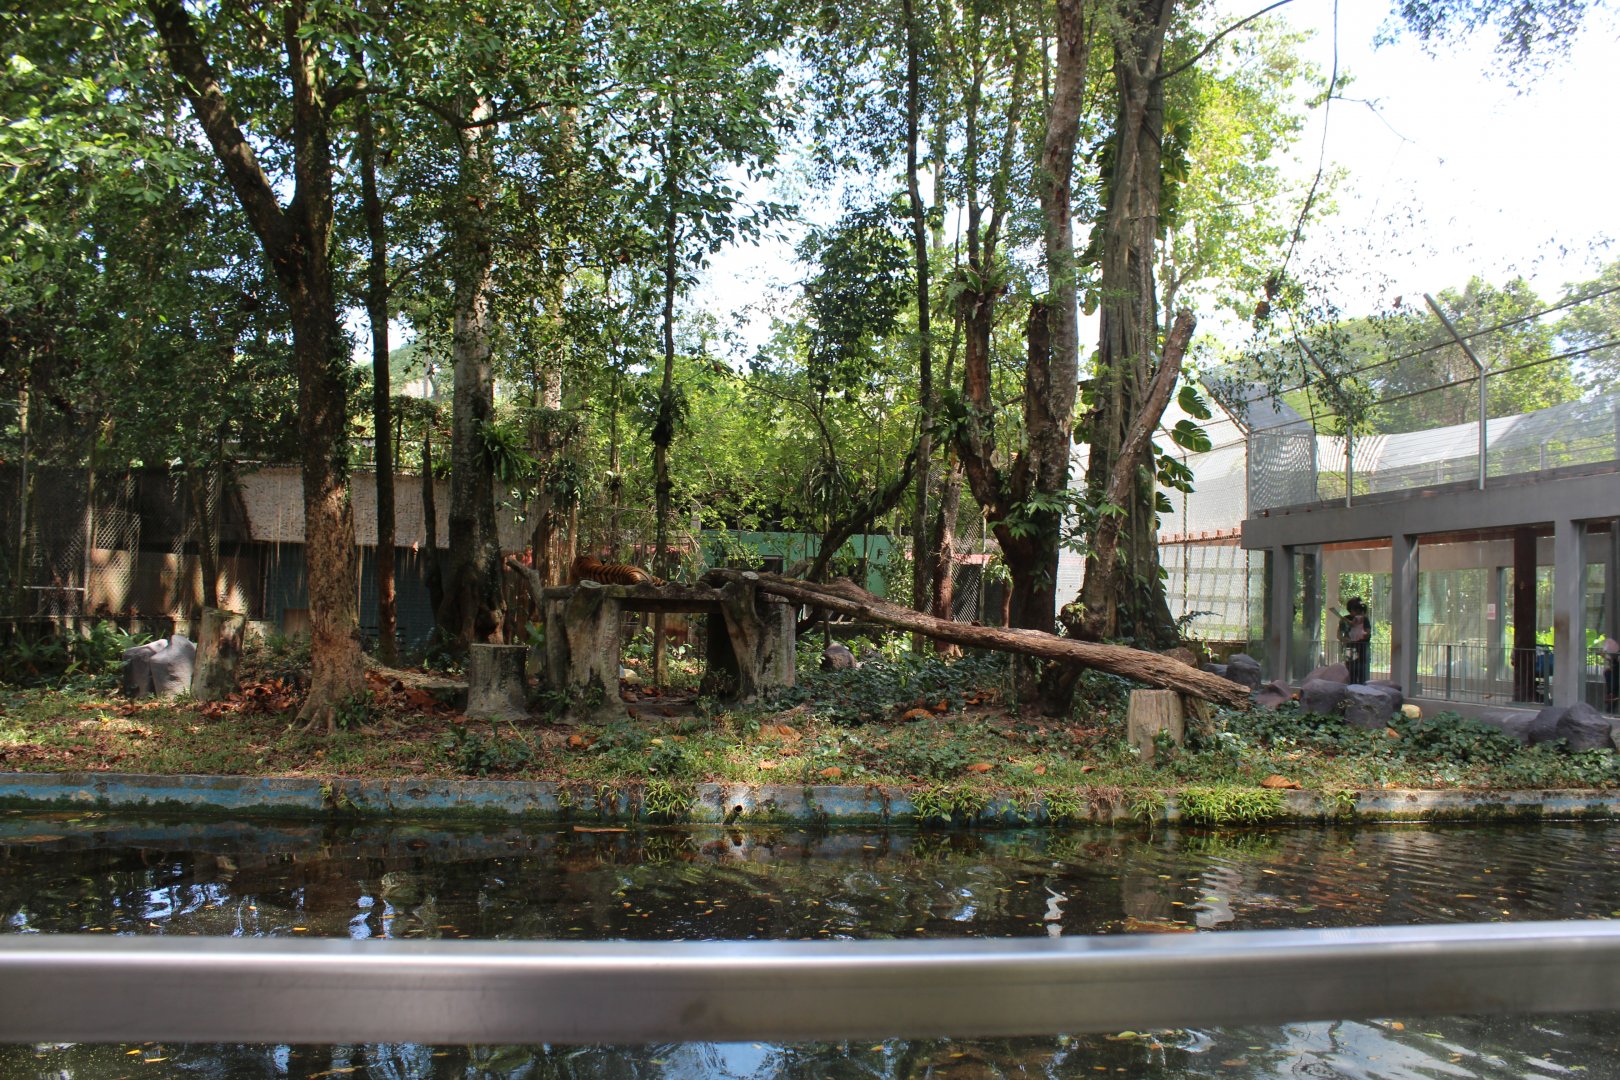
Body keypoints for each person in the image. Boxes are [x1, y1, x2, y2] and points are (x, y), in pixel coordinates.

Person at [1337, 597, 1371, 684]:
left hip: (1363, 649)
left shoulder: (1364, 619)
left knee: (1362, 673)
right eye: (1356, 610)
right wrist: (1344, 639)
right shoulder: (1344, 619)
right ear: (1350, 609)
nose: (1358, 613)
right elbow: (1339, 635)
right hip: (1351, 649)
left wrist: (1361, 636)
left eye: (1360, 610)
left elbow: (1368, 633)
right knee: (1351, 672)